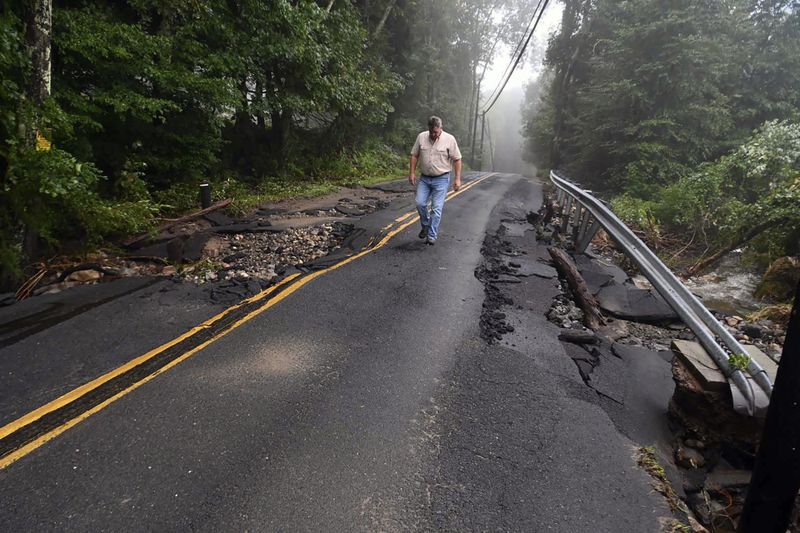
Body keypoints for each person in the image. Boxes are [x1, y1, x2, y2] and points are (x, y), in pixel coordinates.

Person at [408, 116, 462, 246]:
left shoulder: (449, 139)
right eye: (431, 131)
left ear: (441, 129)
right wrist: (412, 173)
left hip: (441, 178)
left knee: (436, 208)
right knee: (420, 203)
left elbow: (457, 159)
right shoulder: (421, 137)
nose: (433, 134)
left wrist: (457, 179)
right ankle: (425, 226)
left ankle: (431, 235)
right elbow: (414, 155)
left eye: (436, 132)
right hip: (425, 178)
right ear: (428, 129)